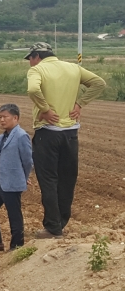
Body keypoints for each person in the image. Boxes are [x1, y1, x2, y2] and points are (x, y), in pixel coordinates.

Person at [25, 42, 106, 239]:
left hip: (48, 132)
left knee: (49, 180)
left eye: (30, 59)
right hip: (71, 134)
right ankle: (61, 222)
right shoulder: (73, 67)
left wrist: (45, 109)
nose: (29, 63)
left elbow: (33, 90)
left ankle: (53, 227)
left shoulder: (37, 70)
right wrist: (80, 104)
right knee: (67, 179)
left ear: (37, 56)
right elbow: (99, 83)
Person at [0, 104, 33, 252]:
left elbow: (28, 160)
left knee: (14, 214)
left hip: (12, 182)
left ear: (15, 118)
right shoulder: (2, 136)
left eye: (5, 117)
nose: (2, 120)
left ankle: (17, 246)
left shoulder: (21, 136)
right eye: (0, 117)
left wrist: (24, 176)